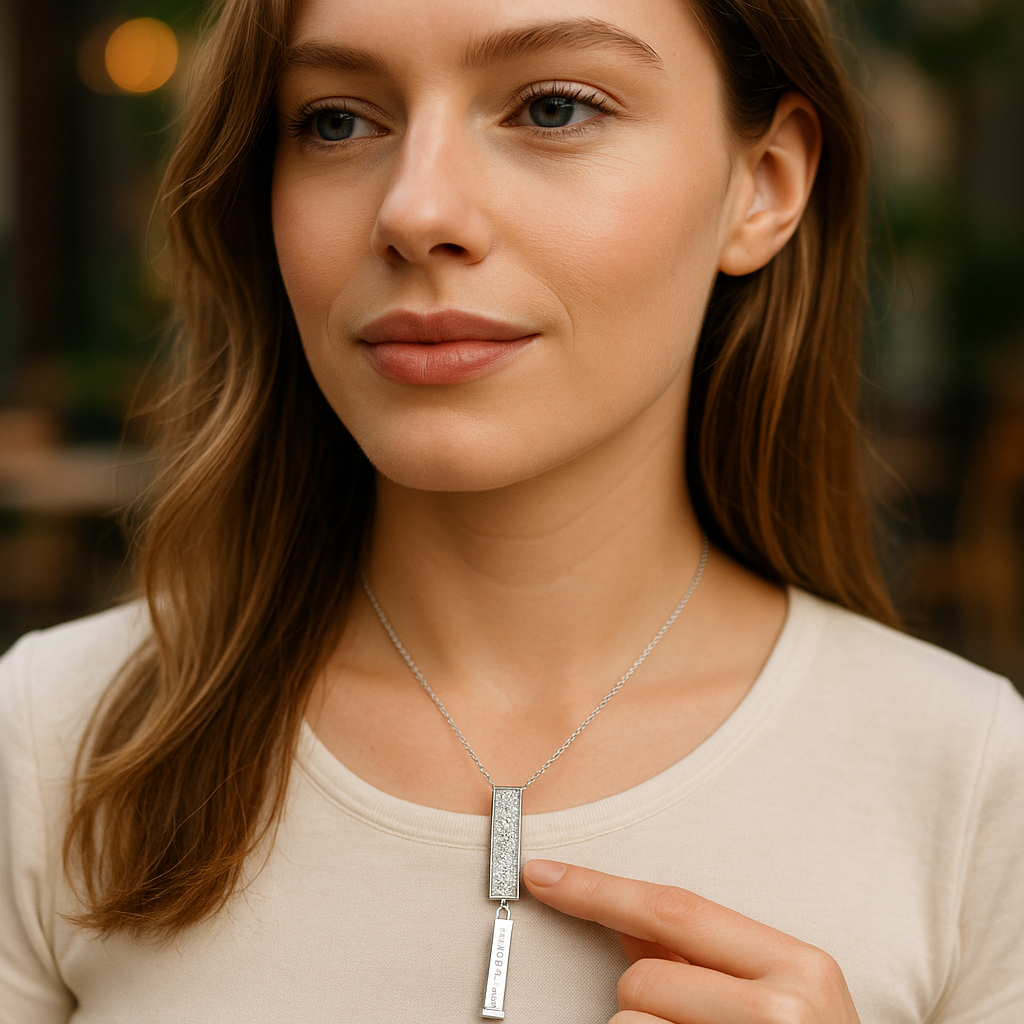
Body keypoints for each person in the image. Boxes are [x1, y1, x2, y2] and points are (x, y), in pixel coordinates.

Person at [1, 0, 1022, 1020]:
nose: (416, 211)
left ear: (763, 186)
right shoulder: (50, 743)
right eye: (335, 121)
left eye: (554, 107)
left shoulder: (975, 786)